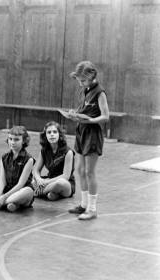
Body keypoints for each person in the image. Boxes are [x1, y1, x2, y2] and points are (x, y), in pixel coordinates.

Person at [67, 61, 110, 220]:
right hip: (82, 132)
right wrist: (75, 114)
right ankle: (84, 204)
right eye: (78, 80)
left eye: (83, 80)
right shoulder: (85, 89)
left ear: (92, 76)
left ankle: (92, 209)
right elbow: (85, 109)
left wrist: (90, 120)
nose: (80, 83)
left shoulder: (100, 93)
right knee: (80, 170)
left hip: (92, 133)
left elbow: (105, 117)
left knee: (89, 172)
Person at [32, 122, 75, 200]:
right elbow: (36, 170)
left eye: (55, 132)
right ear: (45, 135)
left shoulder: (68, 152)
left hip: (65, 184)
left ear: (60, 135)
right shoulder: (44, 150)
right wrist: (39, 180)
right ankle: (53, 194)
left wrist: (46, 182)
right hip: (49, 179)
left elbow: (65, 176)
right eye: (49, 132)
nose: (52, 134)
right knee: (33, 181)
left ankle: (36, 193)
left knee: (60, 183)